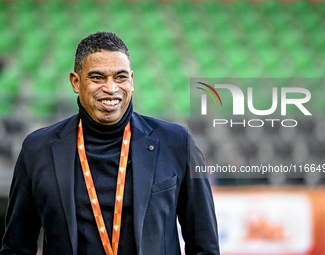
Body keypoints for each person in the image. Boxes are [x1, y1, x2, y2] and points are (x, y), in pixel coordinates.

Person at [0, 32, 219, 255]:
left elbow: (204, 246)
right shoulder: (37, 149)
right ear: (75, 82)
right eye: (97, 78)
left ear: (132, 81)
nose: (111, 88)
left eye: (120, 77)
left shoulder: (177, 143)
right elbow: (16, 247)